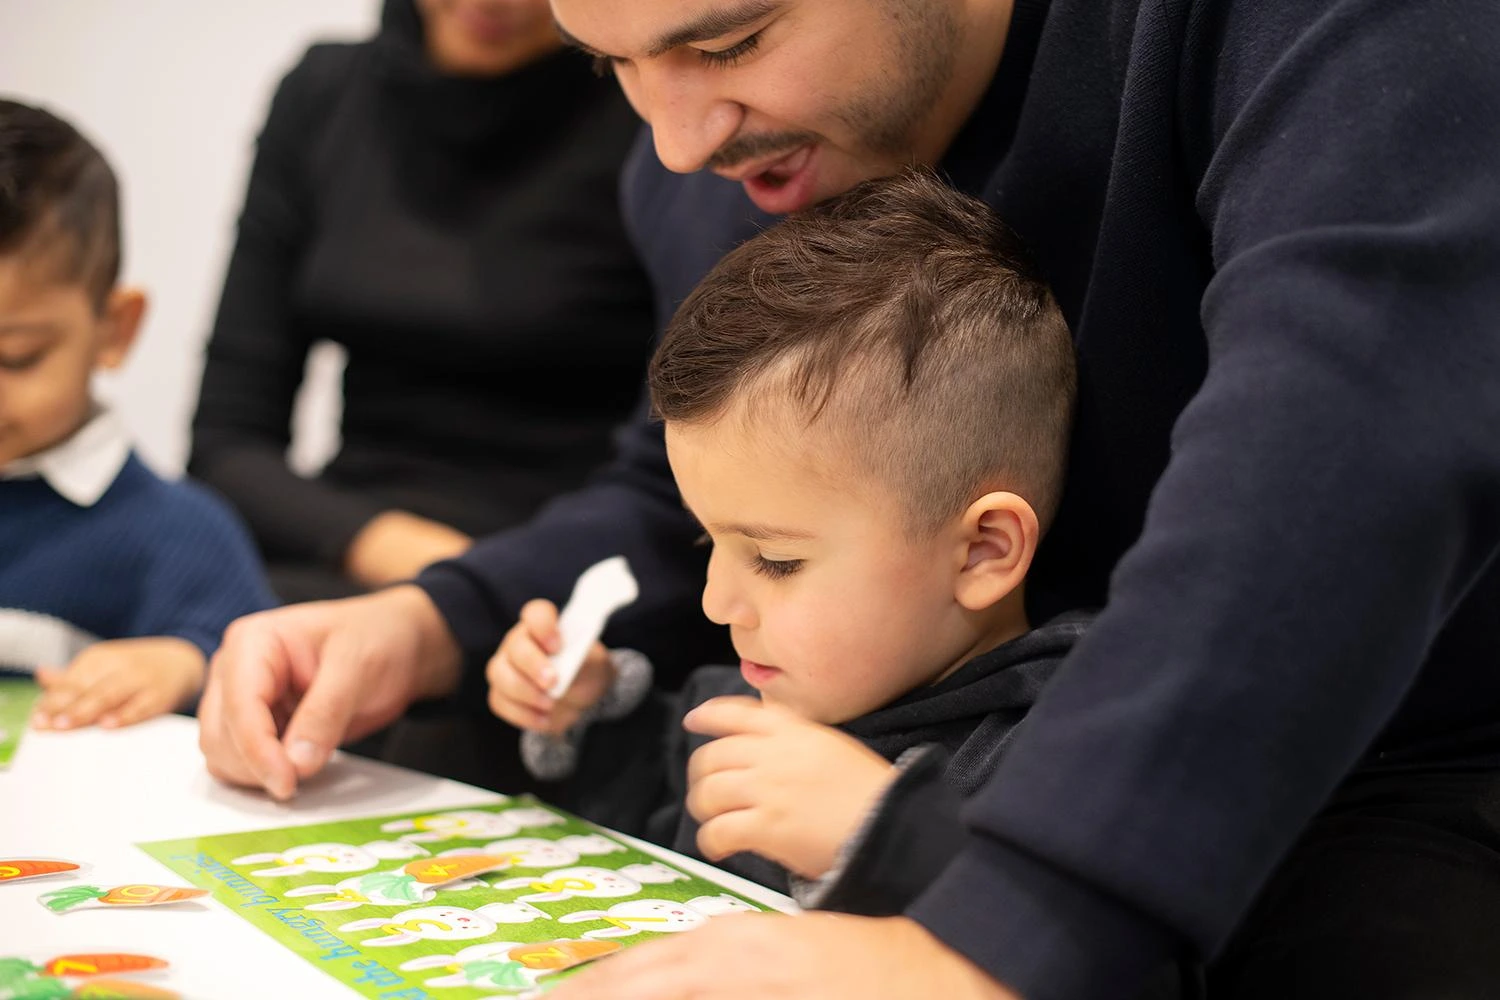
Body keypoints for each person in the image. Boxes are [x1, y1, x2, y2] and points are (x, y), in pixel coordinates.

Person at [200, 1, 1500, 998]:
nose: (675, 142)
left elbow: (1347, 432)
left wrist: (1011, 925)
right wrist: (439, 619)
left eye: (731, 39)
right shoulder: (708, 162)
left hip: (1386, 769)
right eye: (611, 62)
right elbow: (679, 489)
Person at [495, 169, 1098, 913]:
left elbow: (1106, 950)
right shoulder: (745, 701)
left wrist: (888, 837)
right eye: (706, 541)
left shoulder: (1077, 749)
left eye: (775, 559)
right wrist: (591, 715)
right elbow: (657, 858)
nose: (717, 603)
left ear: (983, 551)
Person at [189, 0, 655, 604]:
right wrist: (401, 554)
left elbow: (670, 478)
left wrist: (477, 583)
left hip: (559, 580)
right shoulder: (325, 94)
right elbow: (227, 444)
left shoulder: (650, 121)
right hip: (347, 552)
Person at [0, 98, 274, 731]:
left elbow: (256, 669)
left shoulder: (175, 534)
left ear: (114, 329)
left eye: (16, 358)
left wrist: (181, 664)